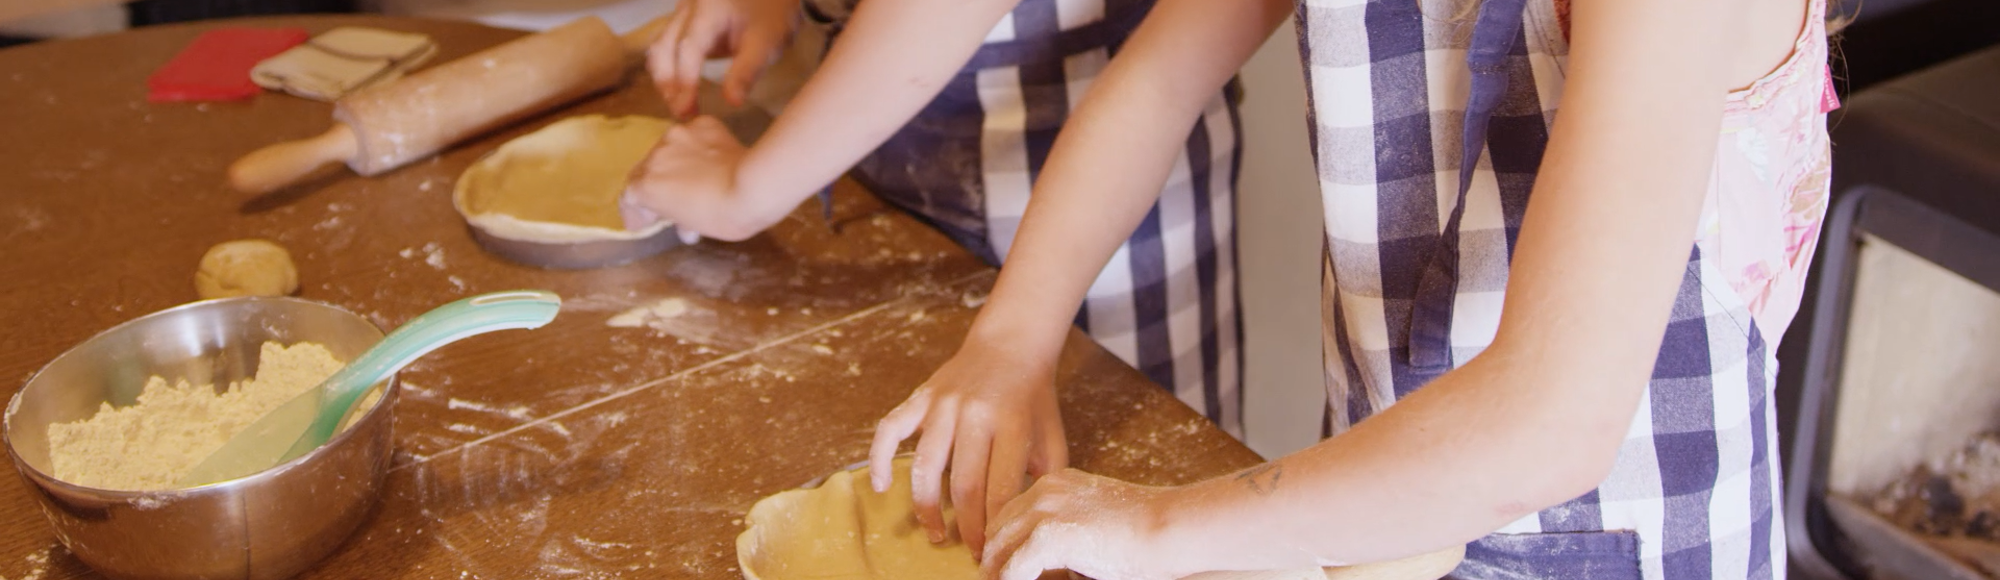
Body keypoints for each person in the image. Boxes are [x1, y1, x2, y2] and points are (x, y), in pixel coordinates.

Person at [902, 0, 1832, 577]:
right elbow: (1157, 82)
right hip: (1366, 510)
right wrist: (1013, 338)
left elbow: (1554, 424)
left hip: (1620, 549)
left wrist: (1158, 528)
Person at [623, 0, 1249, 552]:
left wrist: (747, 193)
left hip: (1091, 194)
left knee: (1108, 500)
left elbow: (1161, 80)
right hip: (880, 146)